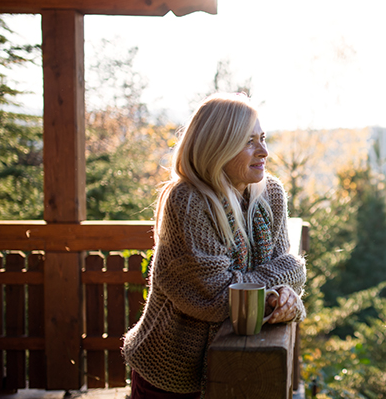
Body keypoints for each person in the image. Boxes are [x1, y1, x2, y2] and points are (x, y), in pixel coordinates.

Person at [122, 93, 306, 398]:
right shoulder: (188, 200)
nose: (264, 152)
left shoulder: (270, 192)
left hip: (236, 366)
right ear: (218, 147)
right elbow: (218, 297)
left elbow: (284, 274)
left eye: (263, 138)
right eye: (249, 142)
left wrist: (284, 292)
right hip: (172, 374)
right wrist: (283, 279)